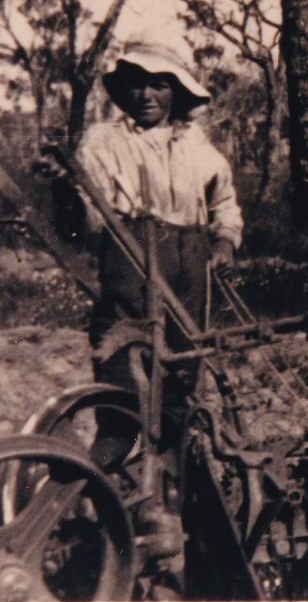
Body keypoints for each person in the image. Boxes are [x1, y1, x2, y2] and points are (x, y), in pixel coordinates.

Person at [72, 37, 242, 421]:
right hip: (131, 263)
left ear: (176, 90)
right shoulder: (104, 141)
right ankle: (115, 460)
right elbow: (88, 214)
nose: (146, 95)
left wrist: (225, 242)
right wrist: (66, 193)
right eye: (137, 84)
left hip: (192, 267)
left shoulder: (195, 143)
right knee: (123, 385)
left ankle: (171, 470)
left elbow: (224, 202)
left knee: (181, 383)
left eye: (158, 85)